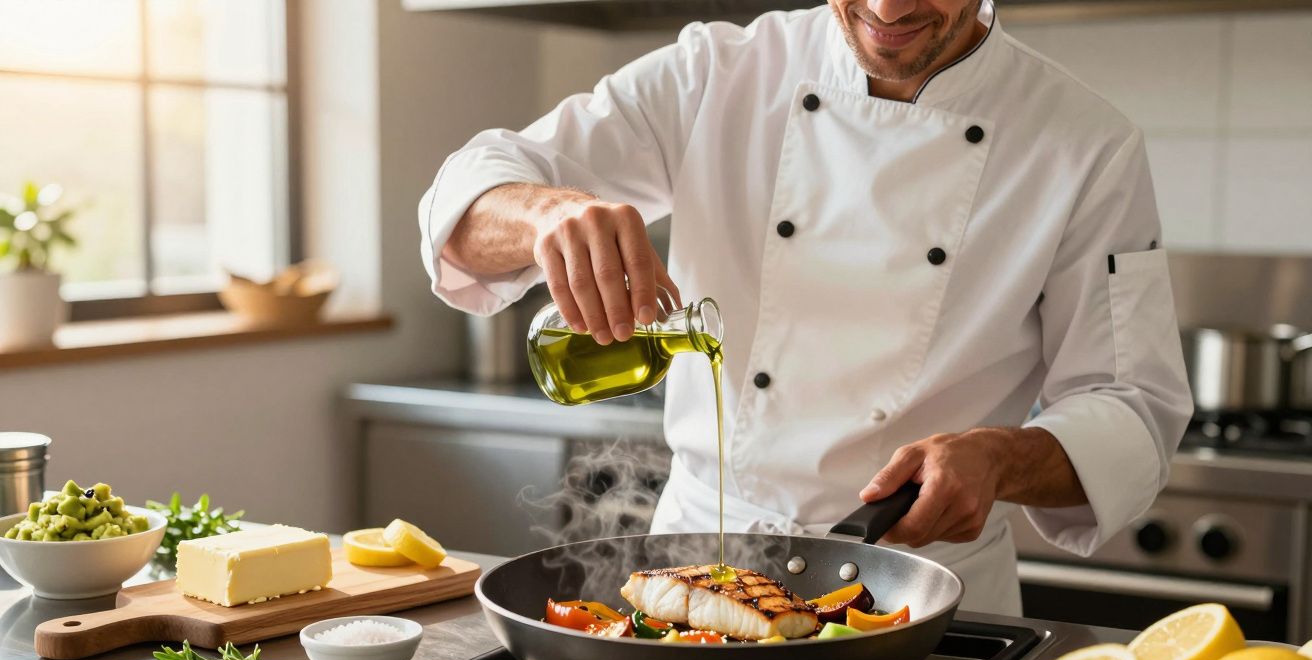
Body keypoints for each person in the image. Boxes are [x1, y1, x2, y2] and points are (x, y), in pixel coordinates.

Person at [419, 0, 1193, 613]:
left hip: (916, 599)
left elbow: (1131, 410)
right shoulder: (718, 73)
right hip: (694, 575)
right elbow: (463, 203)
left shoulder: (1087, 144)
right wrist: (544, 215)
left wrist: (999, 457)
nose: (888, 8)